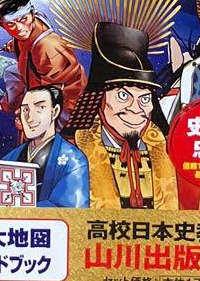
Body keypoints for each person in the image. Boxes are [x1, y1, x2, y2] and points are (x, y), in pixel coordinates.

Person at [70, 22, 177, 210]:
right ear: (100, 98)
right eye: (123, 95)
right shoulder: (72, 151)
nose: (136, 109)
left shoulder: (167, 149)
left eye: (145, 98)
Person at [0, 0, 85, 128]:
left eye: (23, 19)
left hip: (66, 101)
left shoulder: (48, 47)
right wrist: (11, 45)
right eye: (11, 24)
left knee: (38, 133)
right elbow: (26, 42)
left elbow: (52, 91)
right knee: (11, 72)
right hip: (39, 78)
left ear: (32, 13)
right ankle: (10, 105)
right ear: (3, 25)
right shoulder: (30, 27)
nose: (19, 28)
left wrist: (27, 113)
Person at [3, 86, 90, 208]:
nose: (29, 118)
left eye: (40, 108)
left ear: (55, 112)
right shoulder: (9, 159)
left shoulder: (74, 160)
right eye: (25, 109)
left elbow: (72, 209)